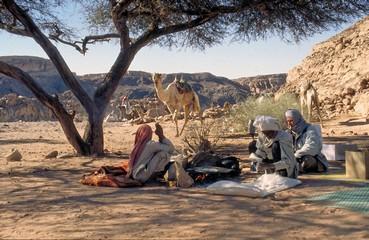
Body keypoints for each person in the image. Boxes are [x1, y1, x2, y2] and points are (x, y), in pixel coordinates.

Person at [285, 109, 328, 173]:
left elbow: (311, 148)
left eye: (291, 121)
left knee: (307, 160)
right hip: (294, 158)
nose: (289, 124)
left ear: (297, 119)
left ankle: (295, 168)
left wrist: (296, 155)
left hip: (310, 157)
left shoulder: (310, 129)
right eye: (287, 121)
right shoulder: (288, 132)